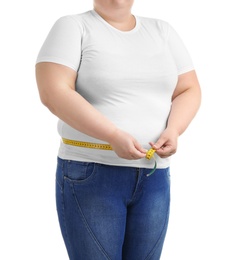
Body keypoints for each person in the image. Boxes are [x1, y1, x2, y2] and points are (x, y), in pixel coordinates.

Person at [35, 0, 201, 259]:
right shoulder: (72, 27)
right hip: (92, 172)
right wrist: (112, 135)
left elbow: (188, 88)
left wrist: (175, 129)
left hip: (154, 175)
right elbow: (53, 92)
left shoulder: (162, 31)